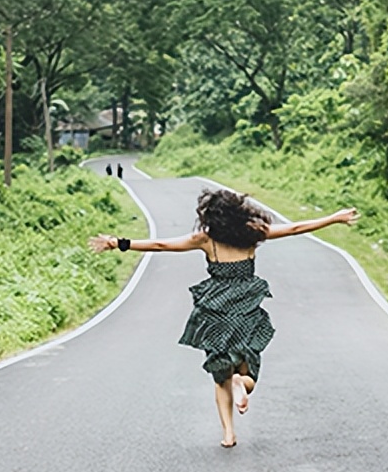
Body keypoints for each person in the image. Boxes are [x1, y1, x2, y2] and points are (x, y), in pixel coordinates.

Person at [90, 189, 359, 448]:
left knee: (221, 377)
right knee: (247, 368)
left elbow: (161, 245)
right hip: (247, 307)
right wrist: (334, 217)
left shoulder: (206, 239)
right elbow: (295, 228)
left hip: (216, 310)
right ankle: (242, 382)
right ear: (239, 211)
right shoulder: (253, 232)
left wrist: (118, 243)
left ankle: (228, 433)